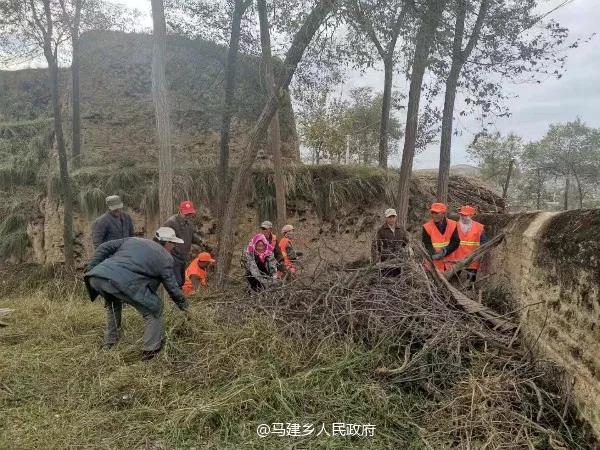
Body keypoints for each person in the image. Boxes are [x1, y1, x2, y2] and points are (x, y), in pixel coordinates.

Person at [84, 227, 189, 361]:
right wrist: (185, 308)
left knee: (112, 304)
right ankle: (150, 351)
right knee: (155, 309)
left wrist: (92, 267)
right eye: (173, 243)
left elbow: (104, 246)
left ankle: (110, 343)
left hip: (97, 277)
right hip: (121, 282)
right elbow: (173, 289)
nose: (174, 247)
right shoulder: (165, 258)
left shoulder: (133, 240)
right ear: (167, 243)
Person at [163, 200, 207, 287]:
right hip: (173, 257)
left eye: (189, 213)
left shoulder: (189, 224)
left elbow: (192, 236)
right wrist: (171, 251)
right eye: (186, 214)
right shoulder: (171, 222)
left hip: (183, 257)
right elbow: (161, 238)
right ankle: (175, 299)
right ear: (180, 211)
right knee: (177, 282)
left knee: (182, 281)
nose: (188, 216)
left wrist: (202, 242)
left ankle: (177, 298)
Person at [447, 205, 488, 282]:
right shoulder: (454, 226)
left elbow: (484, 242)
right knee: (452, 280)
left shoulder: (479, 227)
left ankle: (468, 292)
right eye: (461, 214)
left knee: (470, 282)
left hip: (472, 259)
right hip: (456, 259)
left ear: (471, 215)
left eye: (465, 215)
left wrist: (479, 253)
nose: (463, 216)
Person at [422, 202, 460, 272]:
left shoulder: (453, 224)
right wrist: (433, 253)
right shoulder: (426, 227)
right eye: (432, 213)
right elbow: (426, 243)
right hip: (434, 263)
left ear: (443, 213)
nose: (434, 215)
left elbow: (456, 242)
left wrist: (445, 251)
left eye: (436, 213)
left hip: (449, 262)